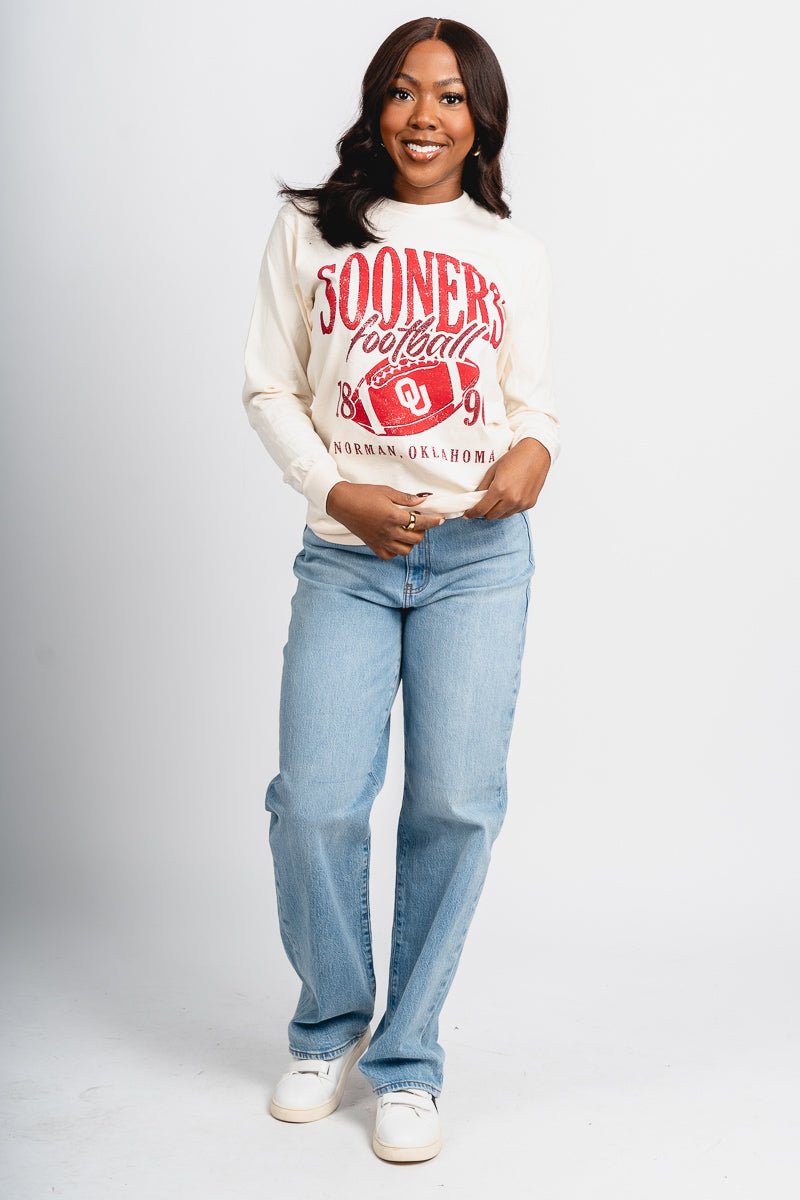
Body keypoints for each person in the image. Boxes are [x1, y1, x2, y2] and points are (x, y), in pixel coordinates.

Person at [240, 16, 561, 1164]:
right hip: (349, 558)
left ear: (481, 124)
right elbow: (270, 386)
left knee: (454, 806)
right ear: (375, 107)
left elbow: (530, 402)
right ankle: (329, 1024)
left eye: (451, 96)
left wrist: (535, 453)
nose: (425, 115)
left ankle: (407, 1058)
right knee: (317, 801)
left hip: (476, 560)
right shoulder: (310, 231)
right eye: (403, 91)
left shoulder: (509, 252)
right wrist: (336, 491)